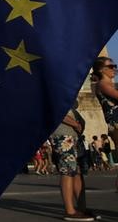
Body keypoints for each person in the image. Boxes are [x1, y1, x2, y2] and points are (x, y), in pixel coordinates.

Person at [50, 104, 93, 221]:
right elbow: (57, 111)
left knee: (77, 172)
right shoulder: (55, 92)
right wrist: (76, 124)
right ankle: (70, 211)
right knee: (68, 171)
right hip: (62, 135)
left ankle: (81, 209)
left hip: (74, 136)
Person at [92, 56, 118, 189]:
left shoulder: (109, 84)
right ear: (102, 70)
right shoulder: (103, 84)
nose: (114, 68)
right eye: (111, 66)